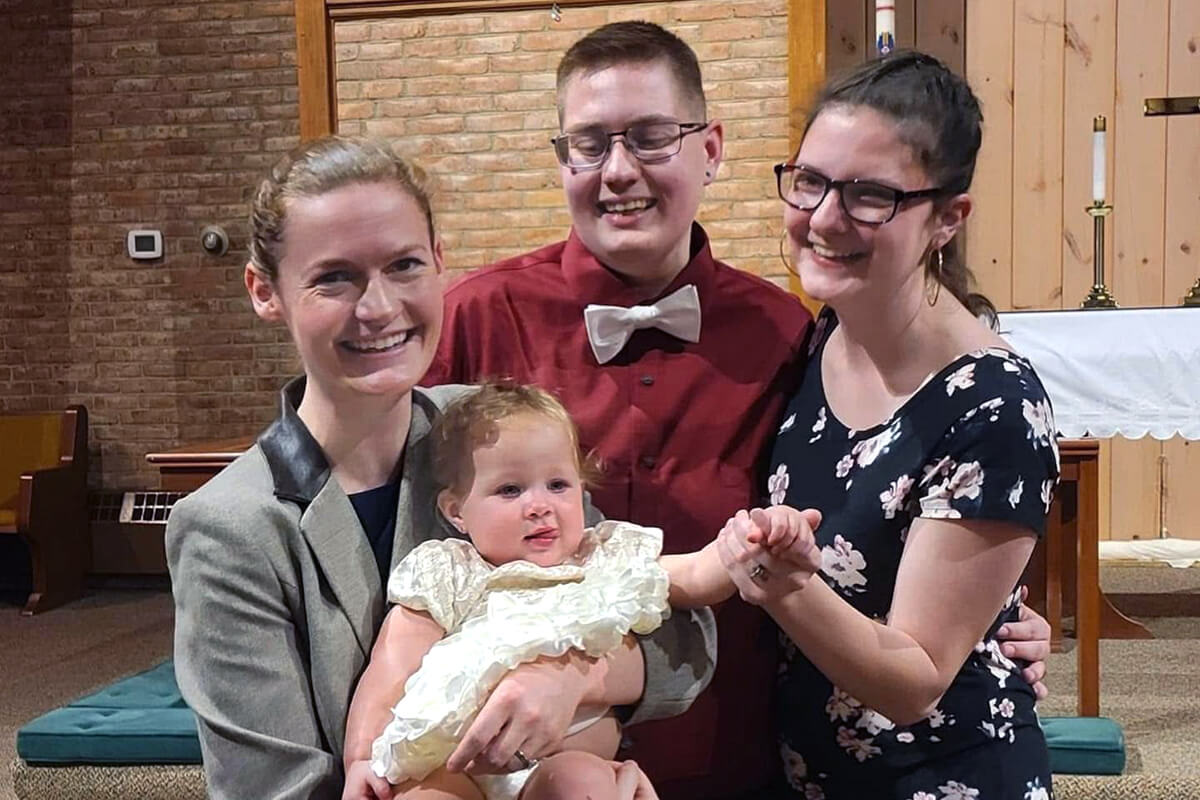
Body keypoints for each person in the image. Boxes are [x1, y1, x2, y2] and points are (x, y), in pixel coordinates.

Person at [422, 21, 1053, 799]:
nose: (619, 171)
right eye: (589, 143)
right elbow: (409, 546)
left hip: (746, 757)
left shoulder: (784, 331)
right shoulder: (472, 320)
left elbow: (931, 551)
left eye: (652, 137)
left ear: (711, 149)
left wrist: (991, 625)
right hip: (524, 763)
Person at [165, 137, 717, 800]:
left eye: (404, 265)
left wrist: (569, 677)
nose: (378, 308)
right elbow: (274, 789)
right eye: (334, 277)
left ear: (439, 264)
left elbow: (684, 638)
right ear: (265, 291)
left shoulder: (486, 433)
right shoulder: (231, 529)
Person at [712, 51, 1059, 799]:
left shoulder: (993, 403)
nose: (825, 218)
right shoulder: (817, 335)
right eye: (810, 181)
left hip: (943, 777)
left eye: (871, 195)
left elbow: (916, 681)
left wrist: (776, 583)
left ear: (947, 218)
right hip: (809, 770)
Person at [342, 382, 820, 800]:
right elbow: (391, 667)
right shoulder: (450, 573)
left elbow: (695, 576)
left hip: (559, 763)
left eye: (557, 485)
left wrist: (754, 542)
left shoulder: (605, 560)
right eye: (510, 490)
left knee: (581, 787)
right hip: (455, 761)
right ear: (456, 511)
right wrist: (362, 758)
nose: (539, 506)